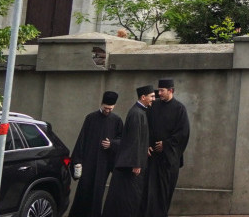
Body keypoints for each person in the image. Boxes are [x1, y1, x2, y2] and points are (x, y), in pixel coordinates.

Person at [69, 91, 125, 217]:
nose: (107, 111)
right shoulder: (91, 118)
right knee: (83, 191)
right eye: (106, 108)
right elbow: (81, 140)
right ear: (101, 104)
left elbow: (122, 140)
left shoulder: (116, 120)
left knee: (97, 194)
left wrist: (112, 144)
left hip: (104, 165)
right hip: (88, 162)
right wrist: (78, 161)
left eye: (110, 109)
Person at [102, 85, 154, 217]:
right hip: (131, 166)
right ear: (143, 97)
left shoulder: (140, 112)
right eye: (151, 96)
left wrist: (144, 149)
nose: (153, 99)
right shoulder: (137, 113)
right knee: (128, 199)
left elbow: (140, 138)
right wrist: (136, 163)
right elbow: (133, 139)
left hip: (134, 163)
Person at [145, 78, 191, 217]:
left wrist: (165, 145)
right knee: (150, 192)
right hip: (153, 158)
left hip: (169, 160)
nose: (159, 93)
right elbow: (146, 126)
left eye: (162, 91)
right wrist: (146, 145)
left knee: (165, 191)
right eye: (158, 90)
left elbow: (183, 133)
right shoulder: (153, 106)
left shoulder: (179, 109)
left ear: (171, 91)